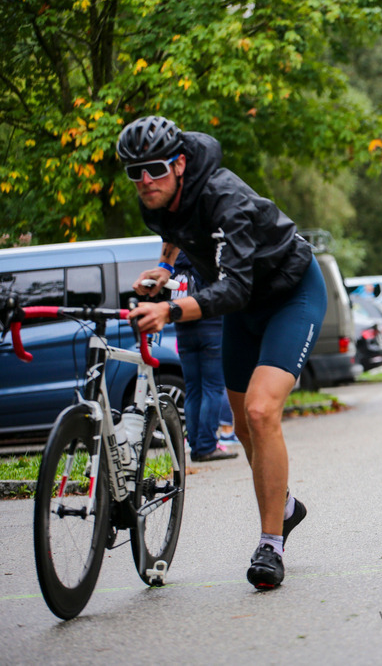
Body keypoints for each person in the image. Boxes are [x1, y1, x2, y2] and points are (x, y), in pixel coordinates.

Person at [119, 116, 326, 588]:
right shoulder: (160, 197)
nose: (145, 181)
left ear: (180, 163)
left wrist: (171, 309)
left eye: (154, 169)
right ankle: (286, 507)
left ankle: (270, 545)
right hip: (244, 305)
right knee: (248, 427)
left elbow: (232, 289)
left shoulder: (225, 196)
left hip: (290, 293)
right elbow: (179, 227)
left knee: (259, 410)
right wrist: (163, 266)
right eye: (135, 172)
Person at [172, 252, 238, 462]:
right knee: (212, 388)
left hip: (183, 328)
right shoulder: (208, 252)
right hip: (211, 326)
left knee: (192, 389)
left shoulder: (177, 257)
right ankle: (207, 446)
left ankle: (195, 444)